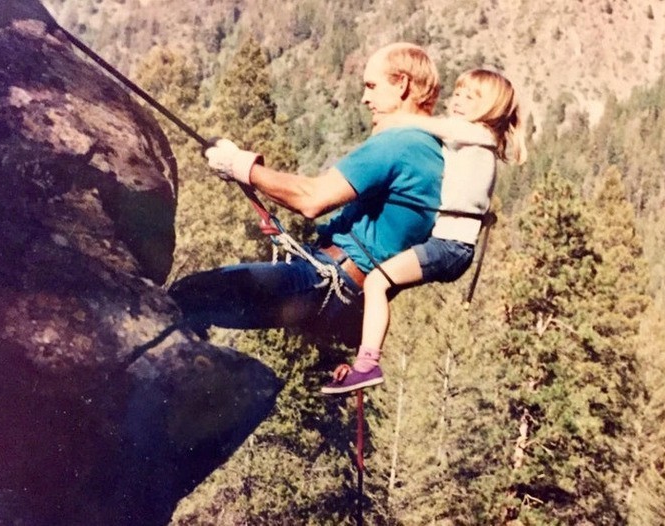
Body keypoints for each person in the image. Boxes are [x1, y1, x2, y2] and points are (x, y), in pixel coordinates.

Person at [168, 42, 445, 344]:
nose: (365, 98)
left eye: (372, 86)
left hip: (326, 282)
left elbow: (311, 199)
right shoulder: (432, 149)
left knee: (187, 295)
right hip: (348, 294)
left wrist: (237, 165)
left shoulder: (398, 143)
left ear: (402, 84)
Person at [321, 68, 528, 394]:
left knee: (376, 281)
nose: (458, 101)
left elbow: (437, 127)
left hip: (449, 247)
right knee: (381, 285)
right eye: (457, 93)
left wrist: (395, 120)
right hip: (451, 247)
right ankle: (355, 350)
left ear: (491, 108)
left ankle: (367, 365)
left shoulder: (476, 133)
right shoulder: (479, 142)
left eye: (470, 97)